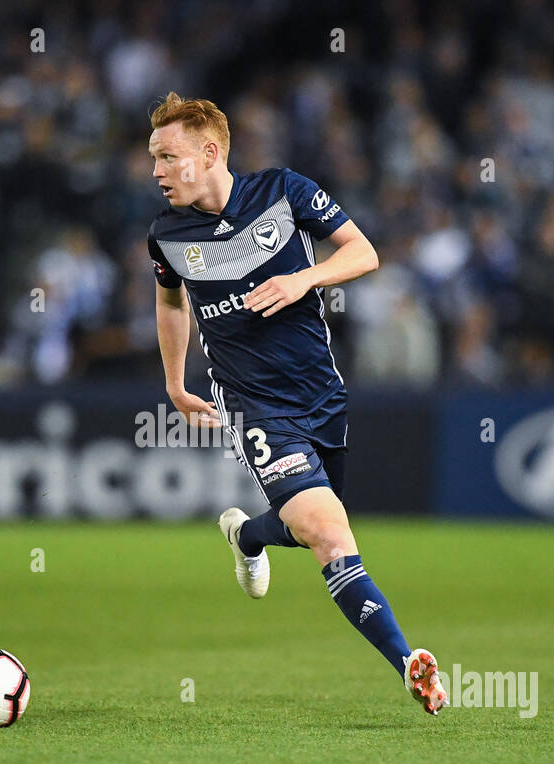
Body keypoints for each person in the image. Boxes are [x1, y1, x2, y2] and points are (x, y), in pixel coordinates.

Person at [146, 93, 447, 715]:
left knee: (316, 525)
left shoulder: (283, 192)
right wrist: (176, 384)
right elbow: (172, 303)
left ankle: (249, 535)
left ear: (210, 153)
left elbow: (364, 253)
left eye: (169, 157)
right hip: (254, 405)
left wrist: (302, 278)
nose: (157, 171)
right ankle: (409, 663)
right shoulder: (167, 236)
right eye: (154, 158)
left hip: (321, 394)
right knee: (331, 534)